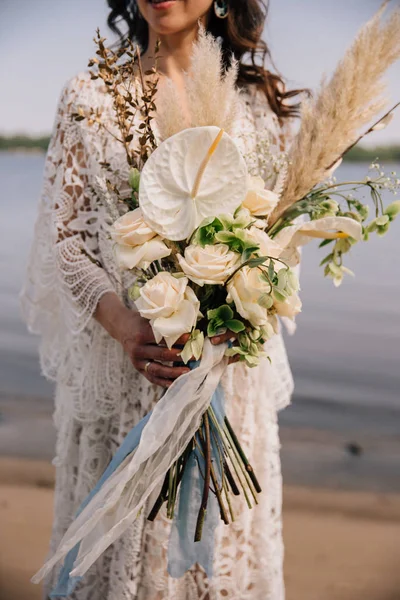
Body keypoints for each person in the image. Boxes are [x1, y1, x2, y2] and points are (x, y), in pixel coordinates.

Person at [21, 0, 301, 598]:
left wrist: (239, 307)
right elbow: (66, 242)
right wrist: (125, 326)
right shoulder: (91, 98)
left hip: (226, 386)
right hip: (130, 381)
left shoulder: (256, 105)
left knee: (220, 562)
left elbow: (283, 242)